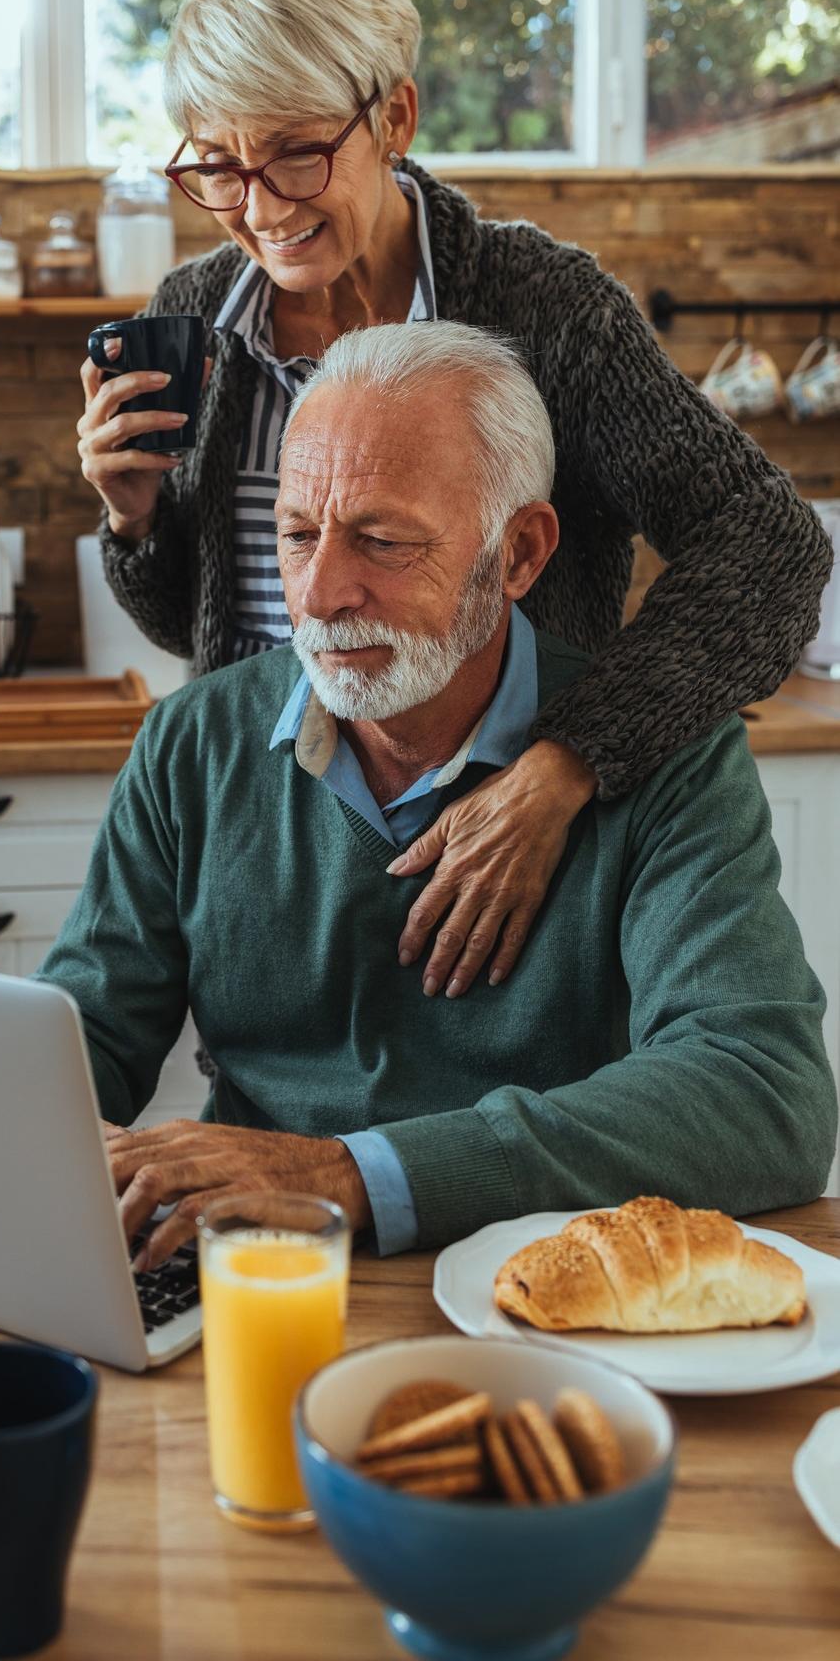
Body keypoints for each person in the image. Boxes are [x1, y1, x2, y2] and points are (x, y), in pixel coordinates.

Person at [76, 0, 833, 1005]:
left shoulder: (548, 311)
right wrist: (136, 519)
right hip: (287, 873)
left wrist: (568, 763)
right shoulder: (198, 310)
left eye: (297, 153)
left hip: (512, 865)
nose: (259, 205)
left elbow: (772, 547)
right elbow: (228, 626)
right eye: (216, 163)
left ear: (393, 118)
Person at [45, 321, 837, 1266]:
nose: (324, 592)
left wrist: (349, 1174)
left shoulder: (671, 760)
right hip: (258, 1279)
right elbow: (81, 1033)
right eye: (298, 536)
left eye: (382, 541)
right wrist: (35, 1125)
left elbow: (764, 1096)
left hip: (549, 1303)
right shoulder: (193, 741)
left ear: (518, 555)